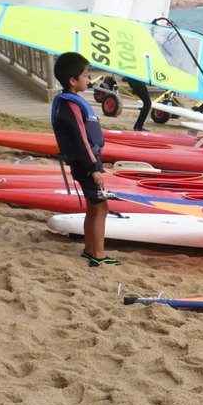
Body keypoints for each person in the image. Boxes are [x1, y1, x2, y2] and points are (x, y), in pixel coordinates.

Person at [51, 52, 120, 267]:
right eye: (85, 75)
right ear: (73, 80)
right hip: (86, 165)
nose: (88, 79)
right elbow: (82, 140)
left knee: (94, 206)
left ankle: (90, 250)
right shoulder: (70, 105)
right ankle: (98, 255)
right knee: (102, 208)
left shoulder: (68, 102)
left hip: (84, 164)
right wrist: (95, 168)